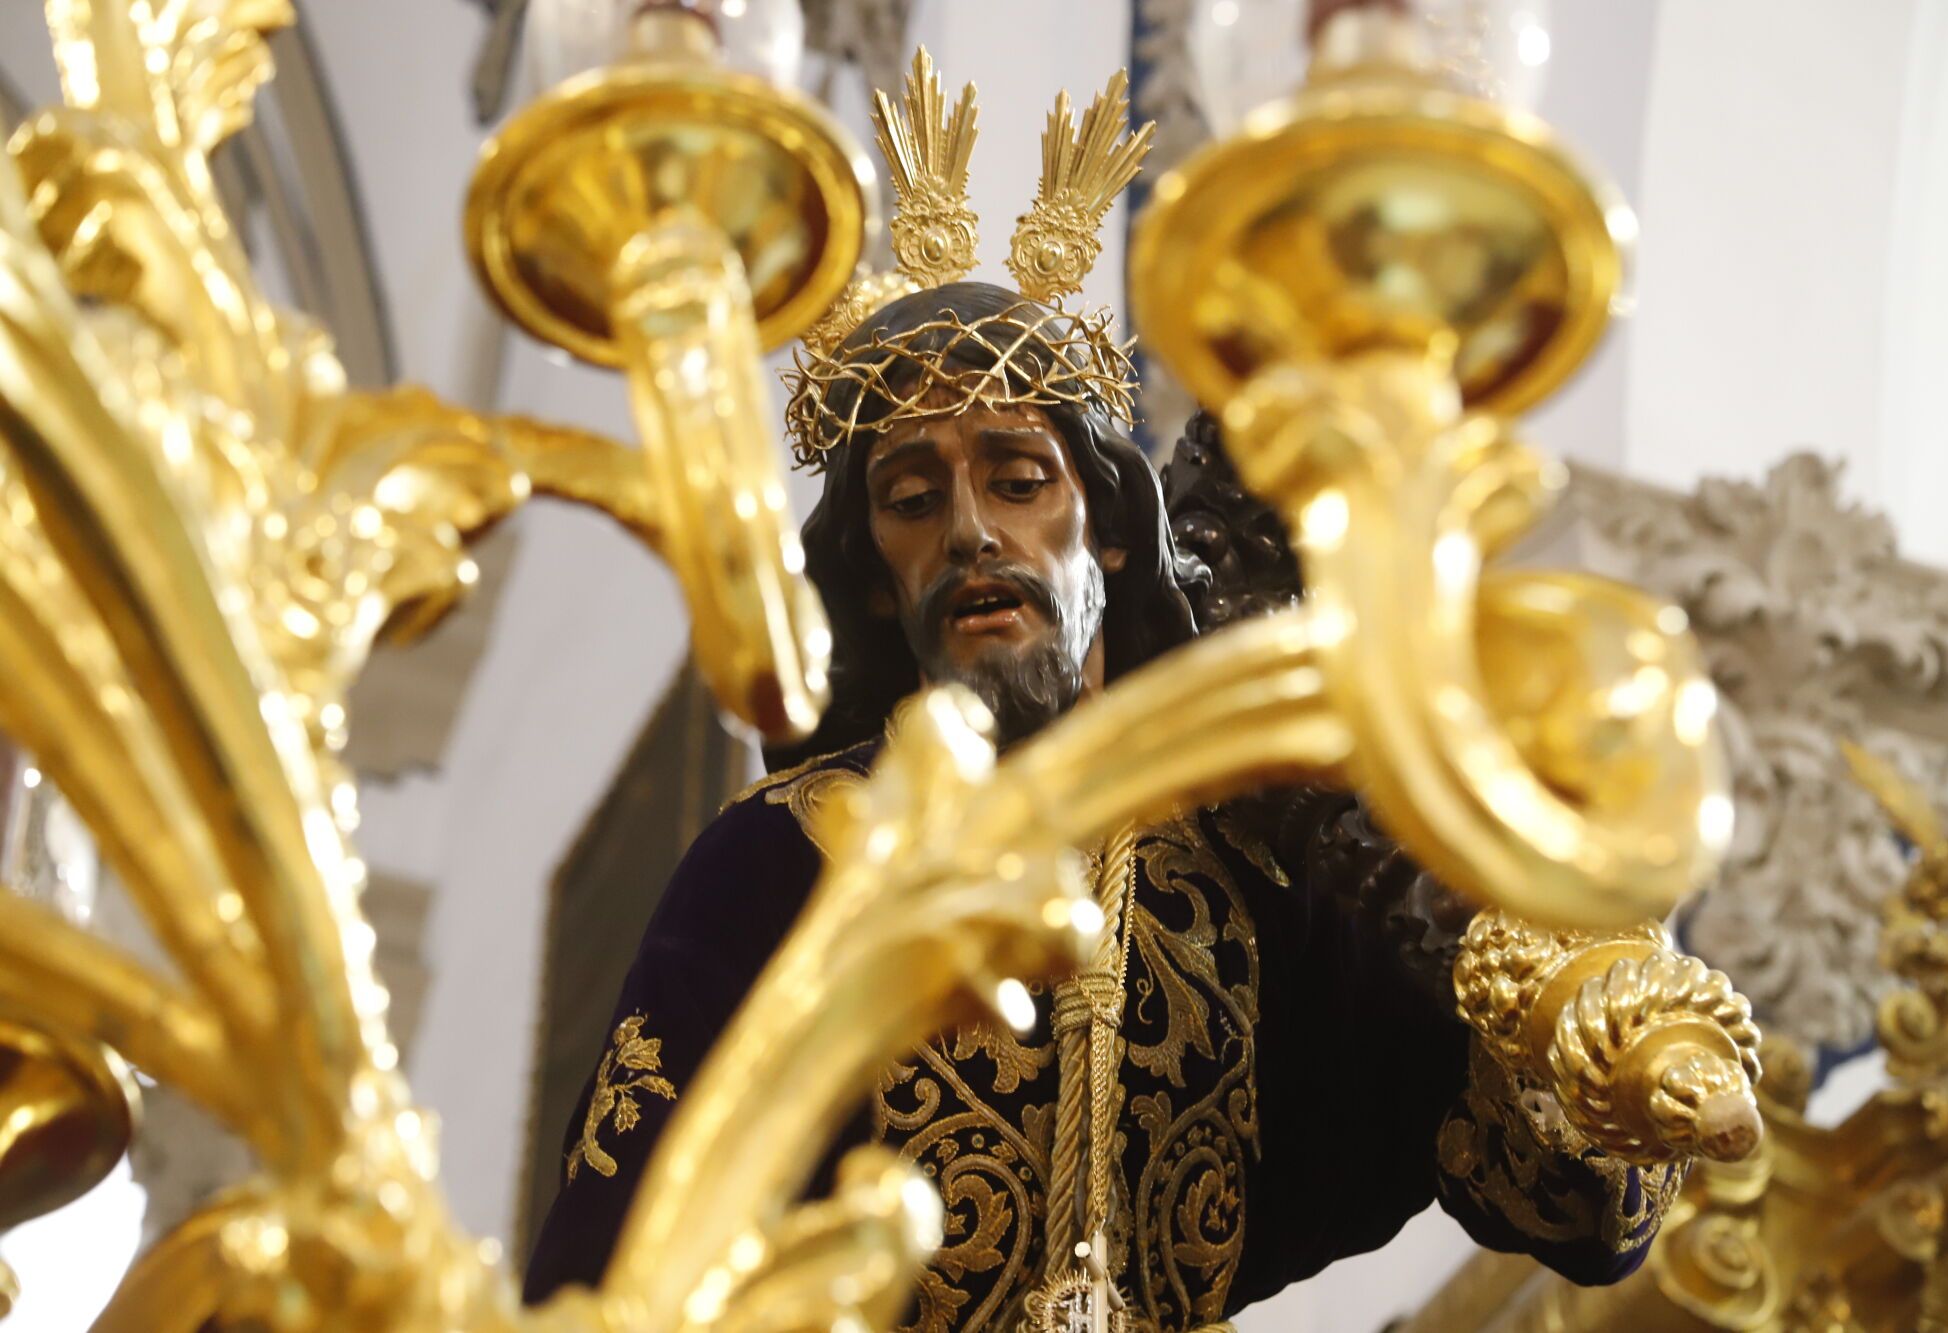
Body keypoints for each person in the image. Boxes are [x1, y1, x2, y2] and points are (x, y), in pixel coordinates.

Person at [523, 56, 1693, 1333]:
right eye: (913, 501)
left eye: (1018, 478)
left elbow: (1566, 1201)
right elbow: (612, 1269)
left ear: (1112, 535)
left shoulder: (1253, 862)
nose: (973, 530)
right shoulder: (779, 863)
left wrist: (1555, 953)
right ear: (871, 582)